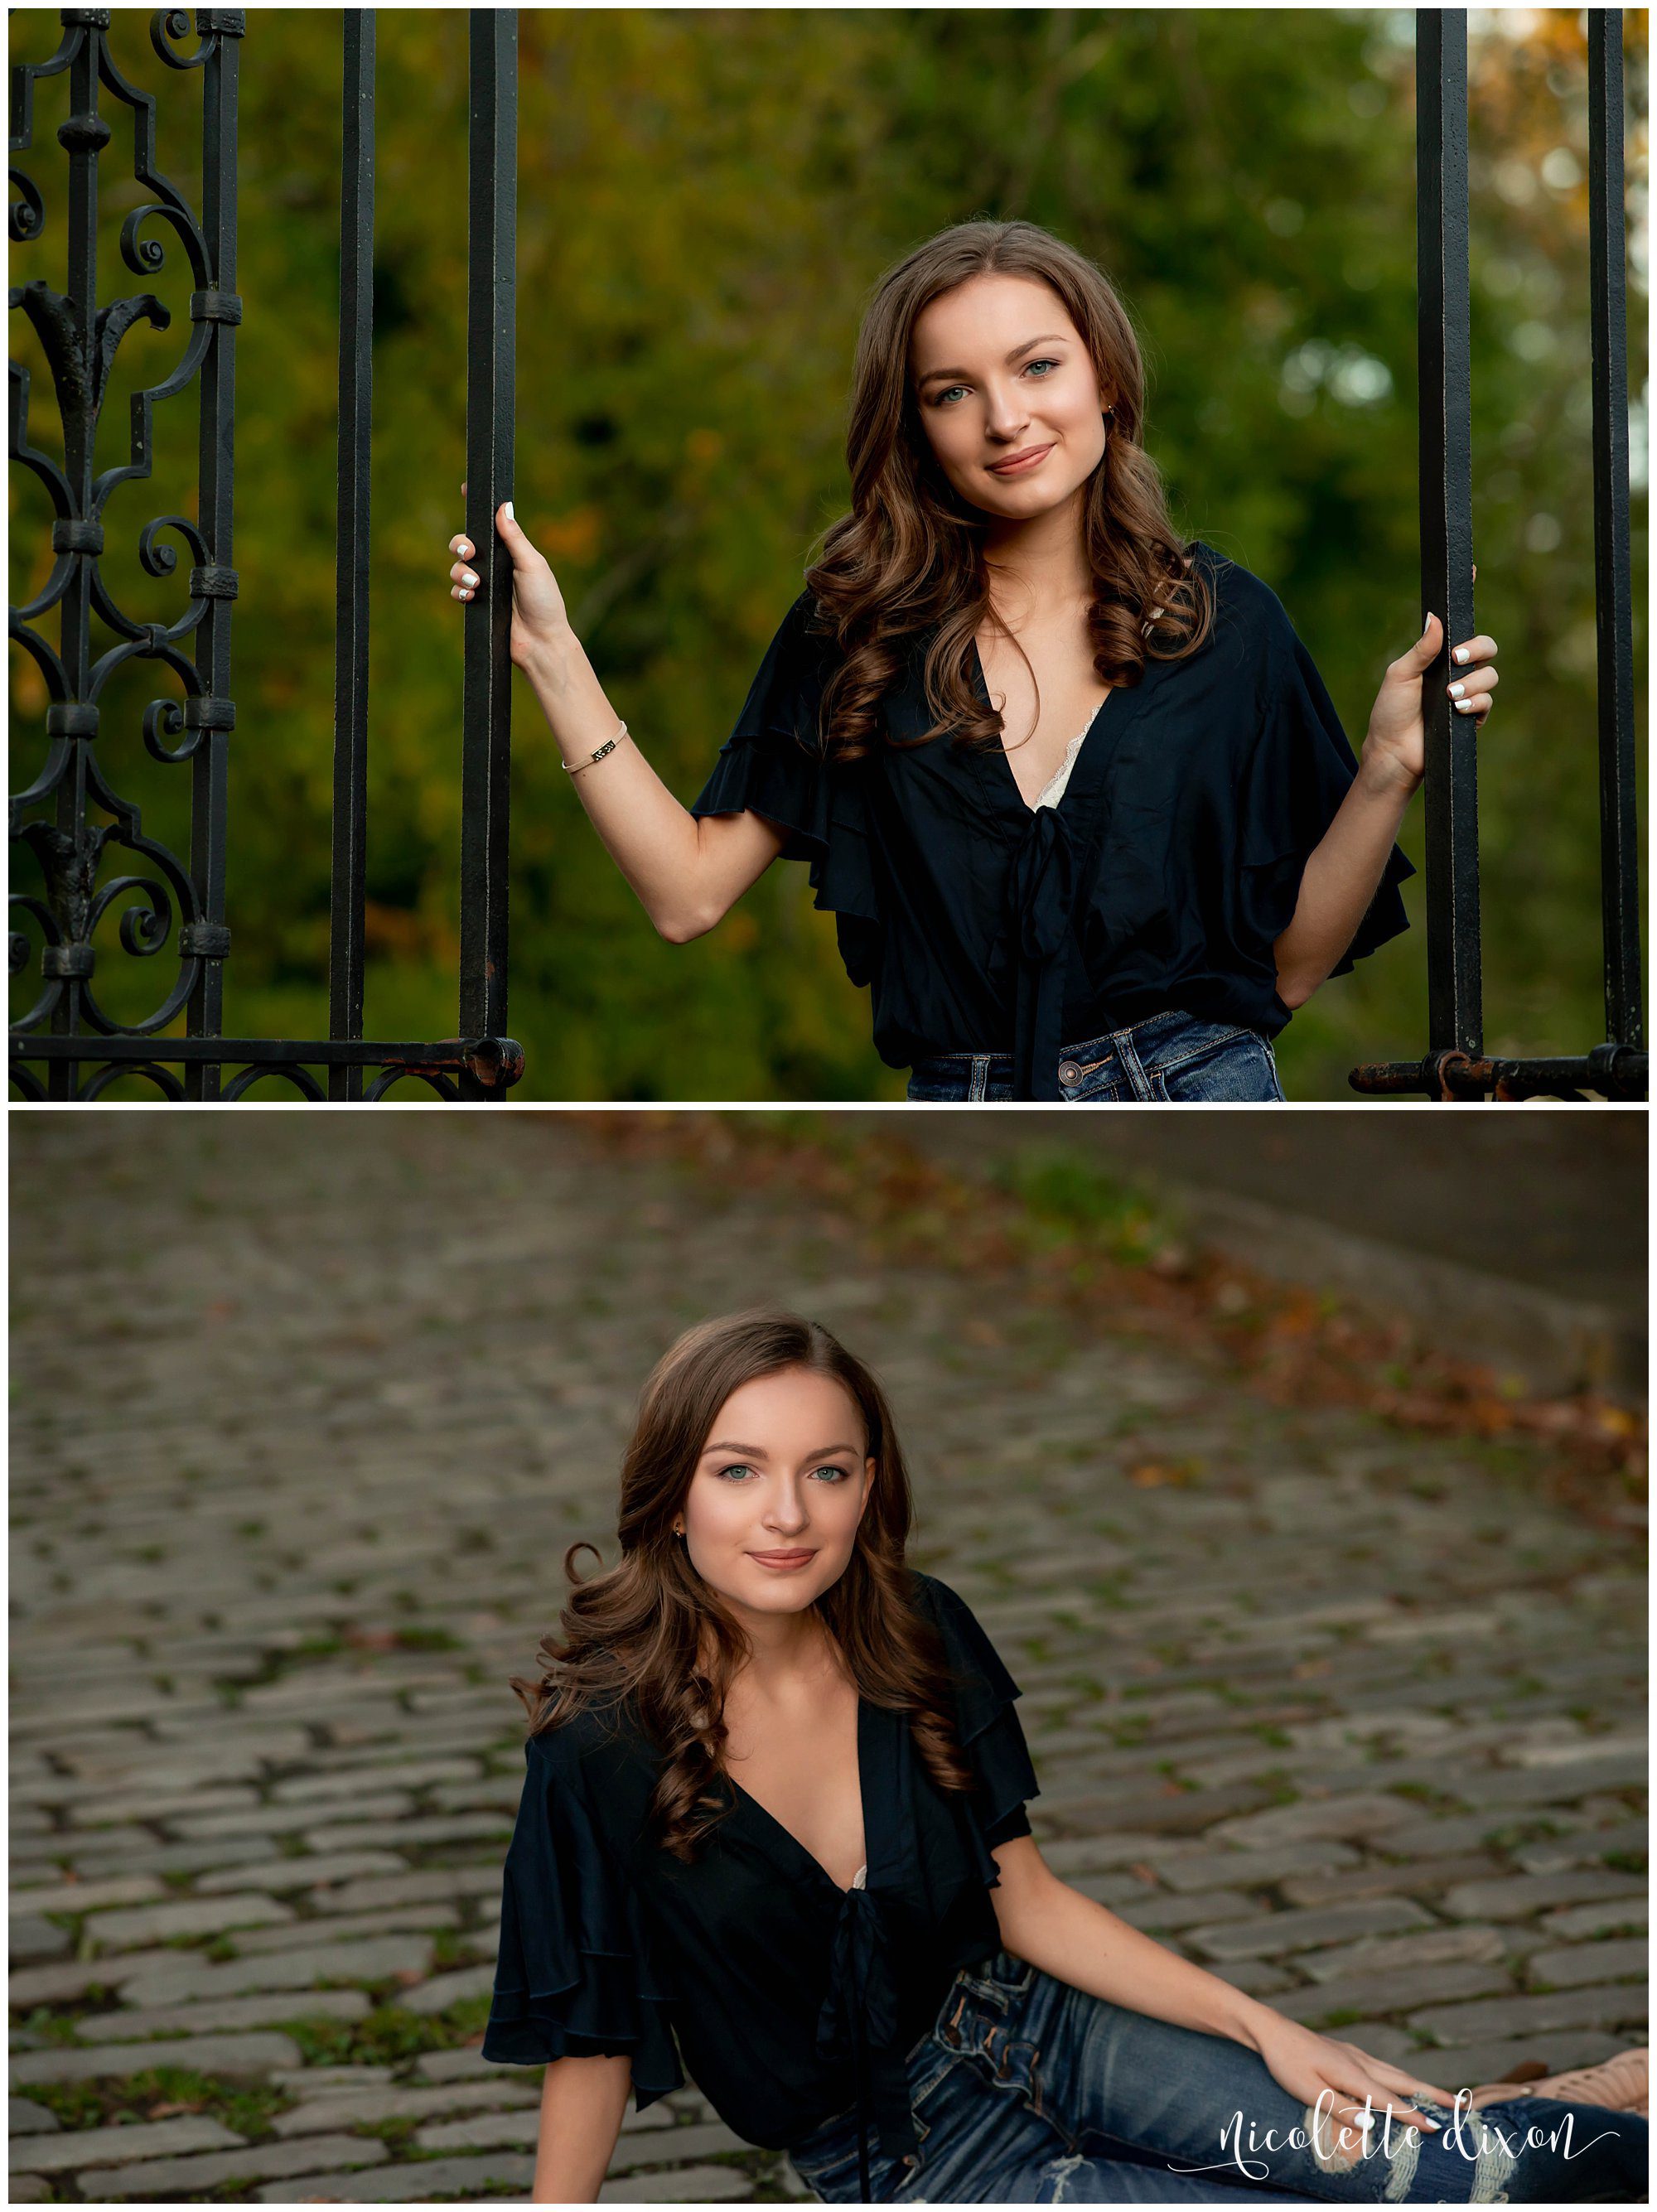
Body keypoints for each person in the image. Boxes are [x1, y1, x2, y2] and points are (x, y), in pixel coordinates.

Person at [480, 1311, 1644, 2205]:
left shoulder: (915, 1627)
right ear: (672, 1495)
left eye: (825, 1470)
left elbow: (1023, 1898)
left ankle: (1533, 2120)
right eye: (738, 1470)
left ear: (868, 1486)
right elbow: (591, 2040)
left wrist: (1266, 2030)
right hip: (918, 2162)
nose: (787, 1513)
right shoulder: (598, 1743)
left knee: (1488, 2179)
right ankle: (1507, 2110)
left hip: (1056, 2029)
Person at [446, 220, 1501, 1104]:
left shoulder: (1224, 625)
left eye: (1037, 366)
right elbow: (686, 895)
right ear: (913, 427)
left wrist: (1384, 770)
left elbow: (1291, 969)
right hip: (968, 1106)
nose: (1004, 419)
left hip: (1204, 1095)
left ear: (1104, 378)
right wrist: (550, 649)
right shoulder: (856, 631)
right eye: (951, 392)